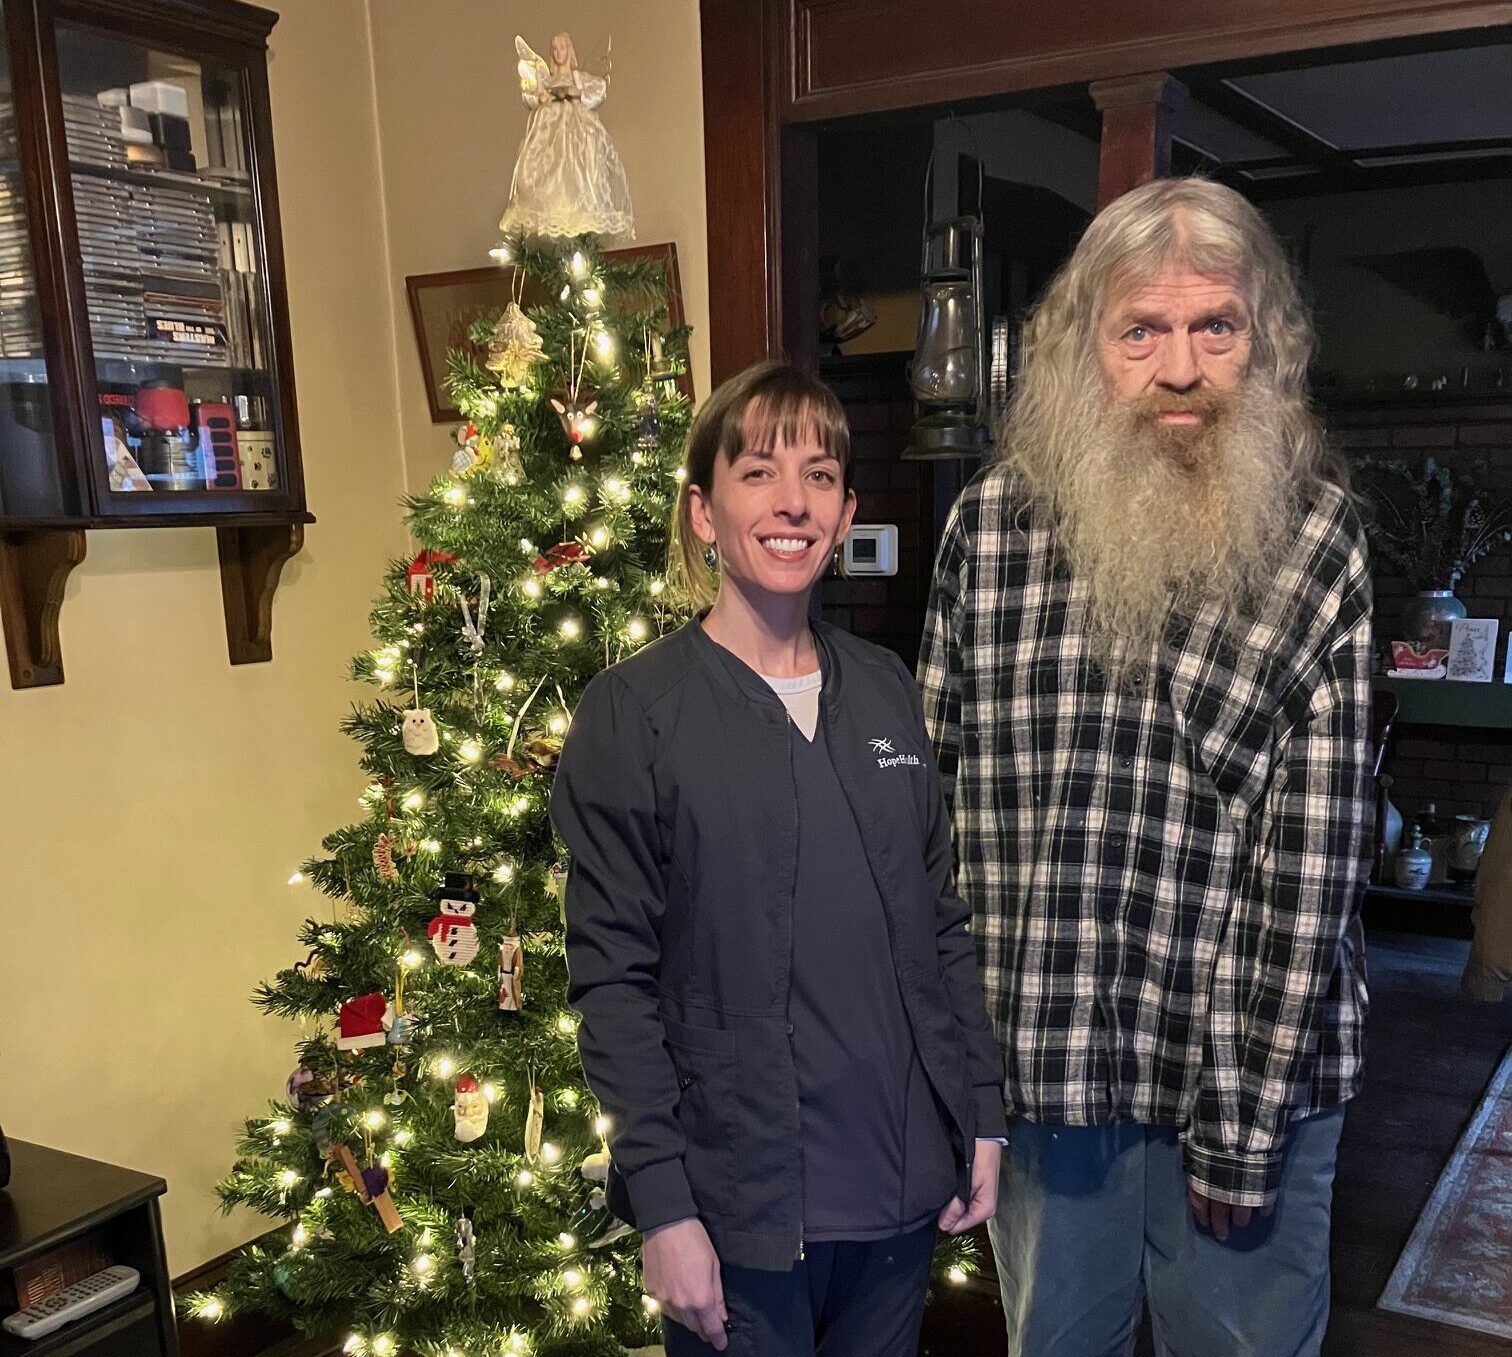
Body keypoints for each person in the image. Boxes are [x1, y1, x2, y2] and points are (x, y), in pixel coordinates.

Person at [918, 177, 1373, 1356]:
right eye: (1143, 331)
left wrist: (1242, 1120)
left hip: (1245, 1080)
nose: (1180, 369)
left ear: (1262, 343)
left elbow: (1313, 863)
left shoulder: (1317, 540)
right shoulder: (991, 528)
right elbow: (929, 807)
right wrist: (947, 1075)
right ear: (1085, 347)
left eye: (1214, 327)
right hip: (1044, 1066)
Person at [552, 361, 1005, 1356]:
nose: (793, 501)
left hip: (896, 1193)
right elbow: (612, 982)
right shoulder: (634, 714)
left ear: (845, 514)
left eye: (821, 476)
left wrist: (981, 1117)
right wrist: (665, 1210)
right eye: (758, 471)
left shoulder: (886, 691)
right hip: (740, 1207)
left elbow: (941, 924)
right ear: (704, 511)